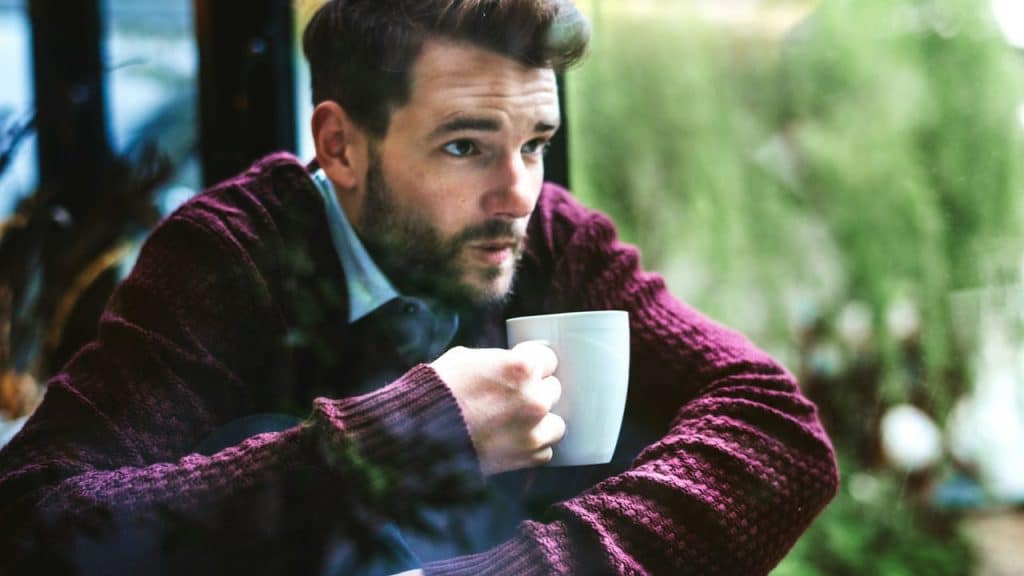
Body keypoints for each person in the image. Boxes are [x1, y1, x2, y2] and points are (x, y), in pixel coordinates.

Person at [0, 1, 838, 574]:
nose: (519, 192)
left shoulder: (552, 236)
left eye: (536, 142)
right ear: (341, 146)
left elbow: (778, 427)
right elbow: (32, 524)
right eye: (465, 146)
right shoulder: (230, 257)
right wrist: (411, 433)